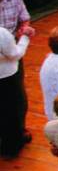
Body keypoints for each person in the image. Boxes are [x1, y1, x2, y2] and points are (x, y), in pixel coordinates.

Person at [0, 19, 33, 158]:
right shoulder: (2, 33)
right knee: (13, 112)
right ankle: (10, 148)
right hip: (7, 78)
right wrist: (25, 38)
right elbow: (15, 54)